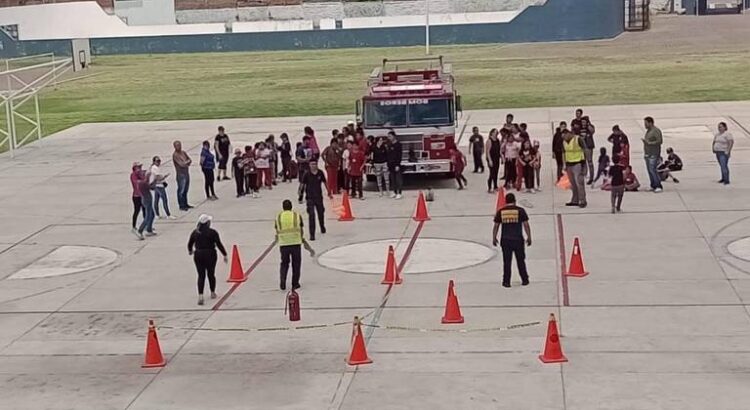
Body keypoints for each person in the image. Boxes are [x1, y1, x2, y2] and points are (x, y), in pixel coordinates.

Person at [492, 193, 531, 288]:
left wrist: (494, 237)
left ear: (506, 201)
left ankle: (506, 282)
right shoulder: (520, 211)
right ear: (514, 200)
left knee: (507, 261)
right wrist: (529, 236)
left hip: (505, 240)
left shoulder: (501, 212)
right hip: (518, 239)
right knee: (520, 260)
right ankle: (524, 279)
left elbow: (496, 225)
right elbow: (526, 225)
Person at [187, 214, 228, 305]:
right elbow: (218, 244)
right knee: (211, 273)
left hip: (198, 254)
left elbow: (190, 243)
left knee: (201, 275)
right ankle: (212, 292)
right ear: (207, 223)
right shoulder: (212, 232)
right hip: (210, 254)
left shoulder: (195, 232)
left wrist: (190, 251)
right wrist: (224, 254)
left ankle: (200, 295)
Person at [275, 200, 315, 290]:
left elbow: (277, 229)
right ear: (291, 207)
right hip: (296, 243)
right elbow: (301, 229)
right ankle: (295, 283)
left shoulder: (278, 217)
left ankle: (283, 281)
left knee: (284, 263)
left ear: (283, 207)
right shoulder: (296, 216)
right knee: (296, 264)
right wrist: (302, 239)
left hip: (284, 244)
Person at [300, 161, 332, 241]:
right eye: (312, 164)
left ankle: (322, 226)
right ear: (309, 165)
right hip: (310, 198)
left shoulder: (320, 173)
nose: (314, 166)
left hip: (319, 197)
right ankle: (312, 234)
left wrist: (329, 192)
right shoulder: (306, 174)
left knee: (321, 213)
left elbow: (325, 182)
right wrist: (300, 195)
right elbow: (302, 185)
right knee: (312, 215)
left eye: (315, 164)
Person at [563, 130, 587, 208]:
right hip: (569, 164)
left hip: (578, 163)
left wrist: (585, 164)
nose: (564, 137)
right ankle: (575, 200)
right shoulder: (564, 142)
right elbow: (564, 153)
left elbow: (585, 150)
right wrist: (565, 165)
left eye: (565, 135)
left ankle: (582, 200)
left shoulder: (578, 139)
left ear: (569, 134)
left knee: (579, 183)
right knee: (573, 184)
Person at [642, 116, 663, 192]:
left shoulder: (656, 131)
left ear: (650, 123)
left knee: (653, 169)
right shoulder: (648, 131)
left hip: (654, 154)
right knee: (649, 170)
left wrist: (649, 143)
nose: (645, 125)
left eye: (646, 123)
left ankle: (658, 185)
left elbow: (660, 141)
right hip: (648, 153)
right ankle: (653, 185)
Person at [135, 169, 156, 240]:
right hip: (147, 201)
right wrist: (155, 180)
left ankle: (149, 229)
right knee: (148, 216)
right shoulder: (142, 183)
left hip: (146, 200)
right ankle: (140, 230)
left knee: (152, 215)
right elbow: (152, 187)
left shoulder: (142, 182)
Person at [172, 140, 193, 211]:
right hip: (181, 175)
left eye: (180, 145)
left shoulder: (183, 152)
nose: (179, 146)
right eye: (177, 145)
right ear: (174, 147)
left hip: (186, 173)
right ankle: (181, 205)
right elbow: (182, 164)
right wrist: (186, 162)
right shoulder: (175, 155)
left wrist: (186, 162)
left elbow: (190, 160)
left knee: (186, 190)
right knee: (181, 190)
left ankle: (186, 203)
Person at [579, 117, 596, 185]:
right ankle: (583, 175)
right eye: (582, 122)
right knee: (582, 162)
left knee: (590, 162)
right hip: (582, 147)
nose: (583, 123)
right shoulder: (580, 128)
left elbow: (592, 131)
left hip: (588, 147)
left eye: (584, 122)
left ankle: (591, 177)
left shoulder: (590, 128)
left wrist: (588, 125)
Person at [387, 131, 403, 199]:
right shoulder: (389, 145)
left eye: (390, 136)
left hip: (396, 164)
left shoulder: (398, 145)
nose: (389, 138)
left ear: (394, 136)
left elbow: (399, 156)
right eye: (388, 136)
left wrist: (397, 165)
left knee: (398, 179)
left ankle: (399, 193)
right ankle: (394, 192)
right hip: (390, 164)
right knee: (392, 179)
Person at [296, 137, 312, 203]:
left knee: (308, 183)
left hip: (308, 168)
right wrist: (305, 160)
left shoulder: (309, 148)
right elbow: (298, 158)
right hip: (302, 168)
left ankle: (308, 196)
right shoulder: (300, 149)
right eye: (307, 141)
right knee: (302, 183)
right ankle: (300, 196)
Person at [486, 128, 501, 193]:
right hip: (491, 158)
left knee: (496, 173)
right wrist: (490, 160)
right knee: (492, 173)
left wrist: (502, 157)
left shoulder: (498, 140)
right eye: (495, 132)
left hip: (497, 158)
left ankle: (495, 186)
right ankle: (489, 187)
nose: (496, 133)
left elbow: (499, 150)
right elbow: (488, 151)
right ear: (492, 133)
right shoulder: (489, 141)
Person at [130, 162, 144, 232]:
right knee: (137, 210)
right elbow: (136, 183)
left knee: (145, 210)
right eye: (139, 167)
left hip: (142, 195)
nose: (140, 168)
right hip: (136, 196)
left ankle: (146, 224)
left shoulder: (140, 174)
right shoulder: (133, 175)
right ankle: (134, 225)